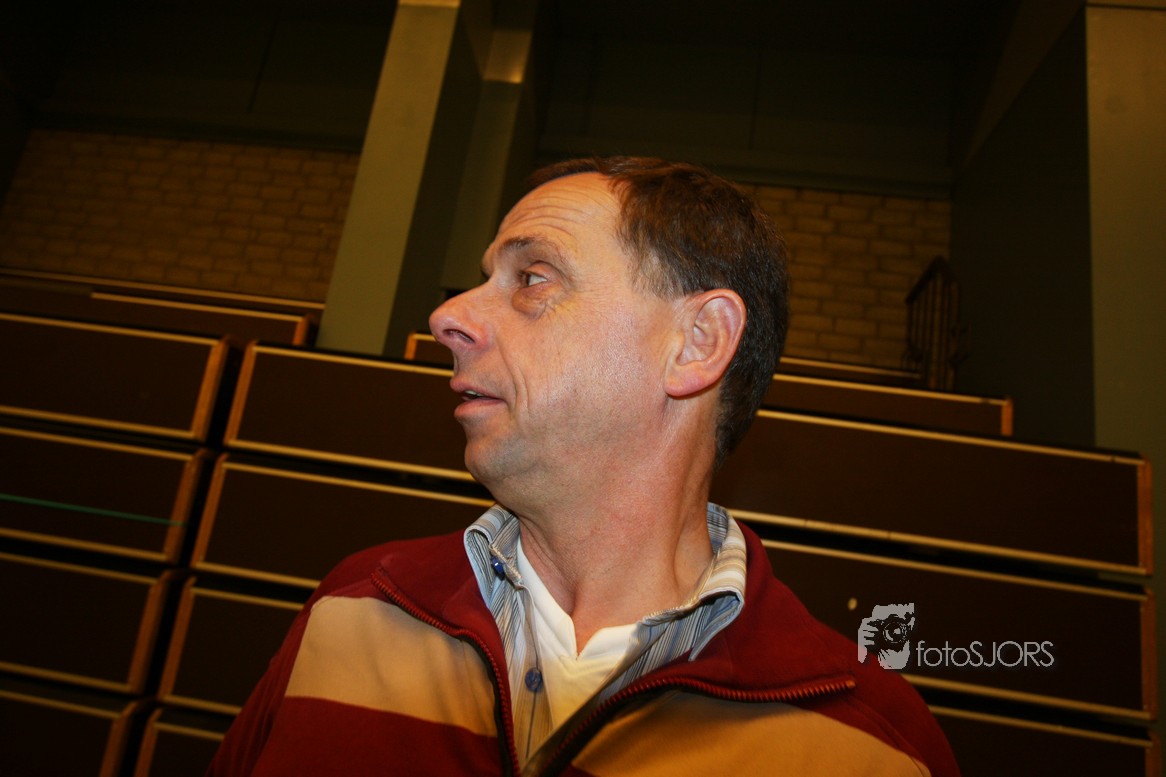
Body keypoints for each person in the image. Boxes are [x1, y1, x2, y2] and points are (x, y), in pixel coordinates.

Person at [208, 157, 959, 776]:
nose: (447, 317)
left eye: (533, 277)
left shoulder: (869, 745)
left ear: (697, 342)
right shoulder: (352, 611)